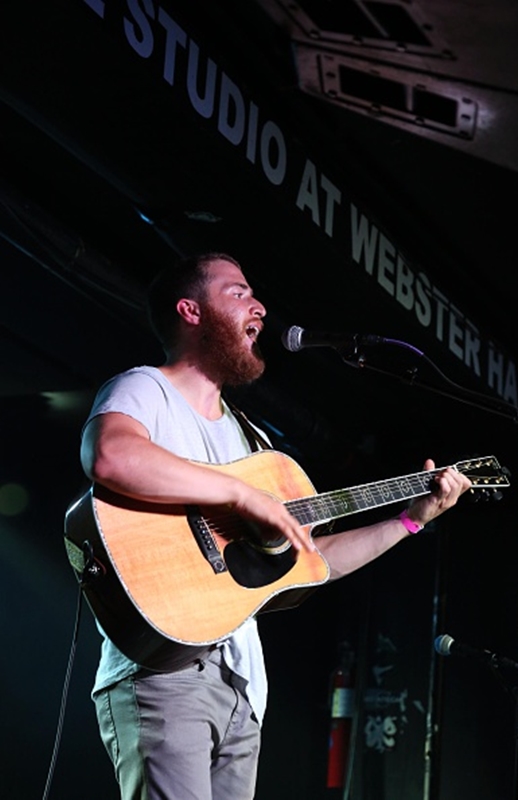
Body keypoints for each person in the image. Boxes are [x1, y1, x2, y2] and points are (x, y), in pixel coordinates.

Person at [80, 252, 472, 800]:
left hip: (243, 689)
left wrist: (410, 519)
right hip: (165, 670)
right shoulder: (148, 389)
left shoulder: (253, 443)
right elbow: (111, 457)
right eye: (238, 292)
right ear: (191, 311)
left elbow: (313, 561)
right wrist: (242, 496)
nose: (259, 305)